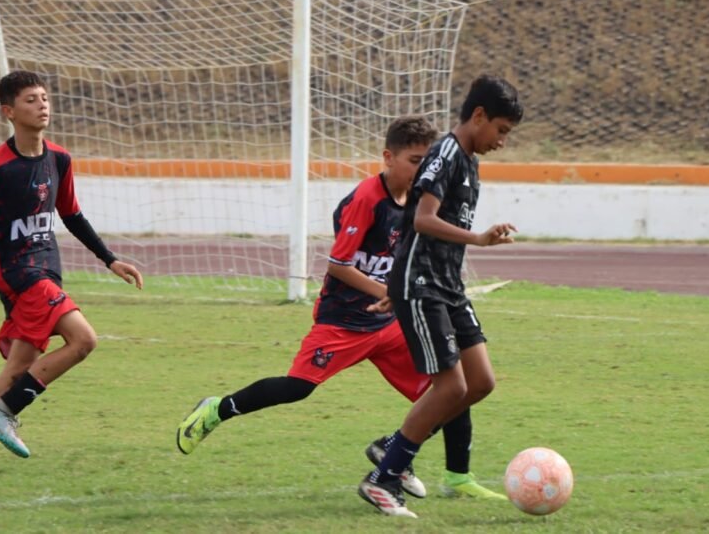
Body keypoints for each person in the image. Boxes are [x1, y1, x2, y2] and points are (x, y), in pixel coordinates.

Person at [175, 116, 505, 500]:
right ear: (388, 157)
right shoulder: (366, 199)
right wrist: (389, 289)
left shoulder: (417, 204)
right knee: (297, 387)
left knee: (447, 389)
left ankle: (449, 474)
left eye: (426, 162)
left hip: (387, 322)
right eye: (414, 161)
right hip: (344, 320)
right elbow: (338, 265)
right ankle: (217, 409)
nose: (422, 170)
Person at [0, 70, 143, 474]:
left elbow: (72, 214)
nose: (42, 104)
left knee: (17, 371)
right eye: (30, 99)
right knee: (84, 340)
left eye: (44, 97)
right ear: (9, 112)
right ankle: (5, 411)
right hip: (19, 275)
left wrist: (109, 258)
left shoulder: (59, 159)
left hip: (47, 270)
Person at [357, 75, 524, 518]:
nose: (502, 141)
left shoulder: (469, 161)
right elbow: (422, 220)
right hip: (424, 286)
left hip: (448, 286)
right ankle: (384, 478)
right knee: (450, 386)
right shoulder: (446, 153)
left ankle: (392, 447)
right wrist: (479, 239)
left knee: (481, 382)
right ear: (479, 116)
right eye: (502, 131)